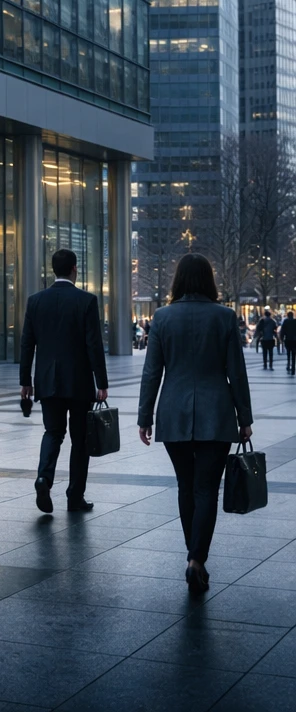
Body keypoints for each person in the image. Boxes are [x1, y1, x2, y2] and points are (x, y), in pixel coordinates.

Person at [137, 253, 253, 594]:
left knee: (186, 487)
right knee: (206, 490)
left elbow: (151, 373)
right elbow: (236, 372)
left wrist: (145, 417)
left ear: (178, 281)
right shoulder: (225, 317)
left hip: (173, 412)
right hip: (216, 412)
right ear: (208, 280)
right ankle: (196, 559)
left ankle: (194, 557)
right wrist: (244, 418)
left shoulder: (161, 317)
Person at [19, 249, 109, 514]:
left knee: (53, 432)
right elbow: (94, 345)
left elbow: (27, 344)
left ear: (53, 270)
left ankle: (43, 478)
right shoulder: (86, 301)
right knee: (79, 440)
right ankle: (74, 496)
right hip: (79, 382)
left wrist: (26, 380)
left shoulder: (35, 301)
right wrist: (101, 382)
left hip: (47, 381)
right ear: (74, 269)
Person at [281, 310, 296, 375]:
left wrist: (281, 338)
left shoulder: (285, 321)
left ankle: (288, 365)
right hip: (294, 340)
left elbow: (283, 331)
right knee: (294, 354)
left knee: (288, 353)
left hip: (287, 340)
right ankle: (293, 368)